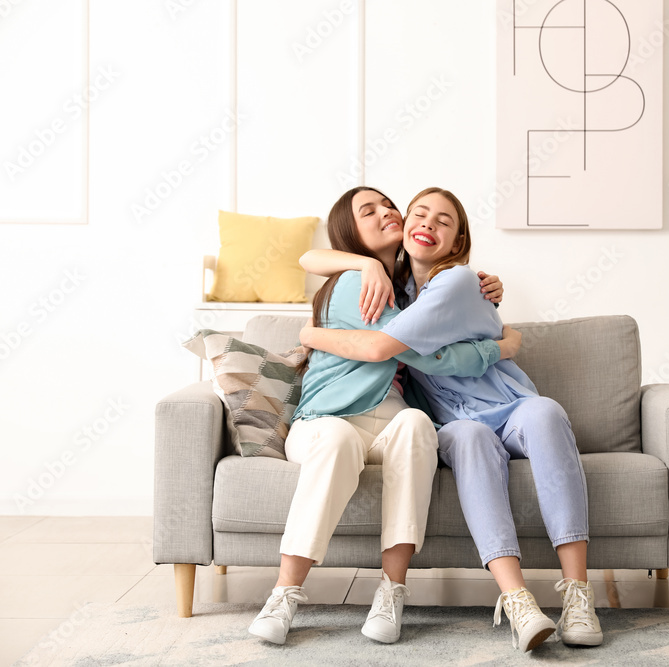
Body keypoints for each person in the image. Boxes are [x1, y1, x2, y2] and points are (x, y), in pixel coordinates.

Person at [300, 187, 601, 652]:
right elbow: (310, 258)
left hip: (511, 405)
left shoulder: (459, 281)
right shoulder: (393, 291)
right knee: (467, 439)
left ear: (458, 241)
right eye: (419, 213)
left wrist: (310, 333)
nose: (426, 223)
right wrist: (366, 264)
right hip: (455, 421)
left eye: (443, 221)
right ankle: (517, 601)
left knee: (545, 413)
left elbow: (400, 352)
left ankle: (578, 595)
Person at [248, 186, 519, 647]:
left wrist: (497, 317)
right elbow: (415, 352)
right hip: (325, 420)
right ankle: (284, 592)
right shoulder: (356, 281)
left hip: (387, 423)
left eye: (388, 204)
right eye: (367, 211)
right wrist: (501, 347)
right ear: (349, 232)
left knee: (416, 424)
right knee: (337, 440)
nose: (386, 213)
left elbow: (440, 328)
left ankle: (391, 591)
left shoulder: (411, 291)